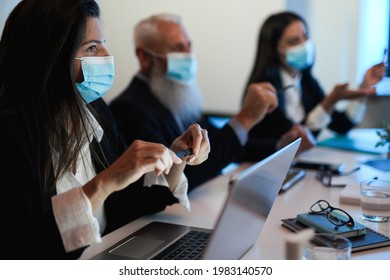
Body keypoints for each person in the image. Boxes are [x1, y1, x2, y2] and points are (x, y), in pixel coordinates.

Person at [0, 0, 210, 259]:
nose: (105, 56)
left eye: (102, 44)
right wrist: (104, 182)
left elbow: (129, 203)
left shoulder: (96, 109)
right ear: (49, 58)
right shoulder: (10, 137)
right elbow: (25, 250)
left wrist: (178, 155)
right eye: (91, 47)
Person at [109, 13, 278, 189]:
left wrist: (279, 144)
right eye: (177, 48)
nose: (189, 55)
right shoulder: (127, 108)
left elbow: (216, 143)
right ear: (144, 57)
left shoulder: (176, 94)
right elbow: (180, 175)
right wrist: (245, 119)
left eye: (189, 46)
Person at [241, 11, 385, 161]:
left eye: (305, 36)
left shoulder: (306, 81)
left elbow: (342, 125)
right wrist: (330, 101)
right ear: (274, 50)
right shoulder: (264, 90)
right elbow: (296, 138)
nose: (304, 45)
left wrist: (364, 88)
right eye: (293, 41)